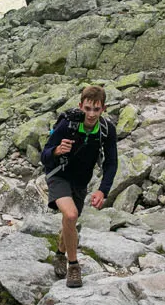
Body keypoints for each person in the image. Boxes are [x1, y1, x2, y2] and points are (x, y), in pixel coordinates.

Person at [40, 85, 118, 288]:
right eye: (87, 109)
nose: (91, 114)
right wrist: (56, 150)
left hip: (81, 181)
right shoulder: (67, 125)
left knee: (69, 221)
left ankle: (59, 253)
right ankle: (73, 266)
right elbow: (45, 155)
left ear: (104, 109)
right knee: (71, 215)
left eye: (96, 109)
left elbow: (111, 162)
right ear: (80, 106)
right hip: (59, 175)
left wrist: (103, 189)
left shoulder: (107, 130)